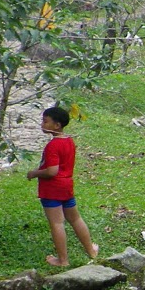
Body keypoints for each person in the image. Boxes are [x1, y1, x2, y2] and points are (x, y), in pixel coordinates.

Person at [27, 105, 97, 269]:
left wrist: (35, 173)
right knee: (75, 218)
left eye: (45, 121)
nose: (42, 124)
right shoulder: (69, 141)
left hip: (52, 190)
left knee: (57, 223)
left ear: (56, 125)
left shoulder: (53, 145)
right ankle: (91, 251)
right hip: (67, 186)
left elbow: (52, 171)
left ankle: (63, 260)